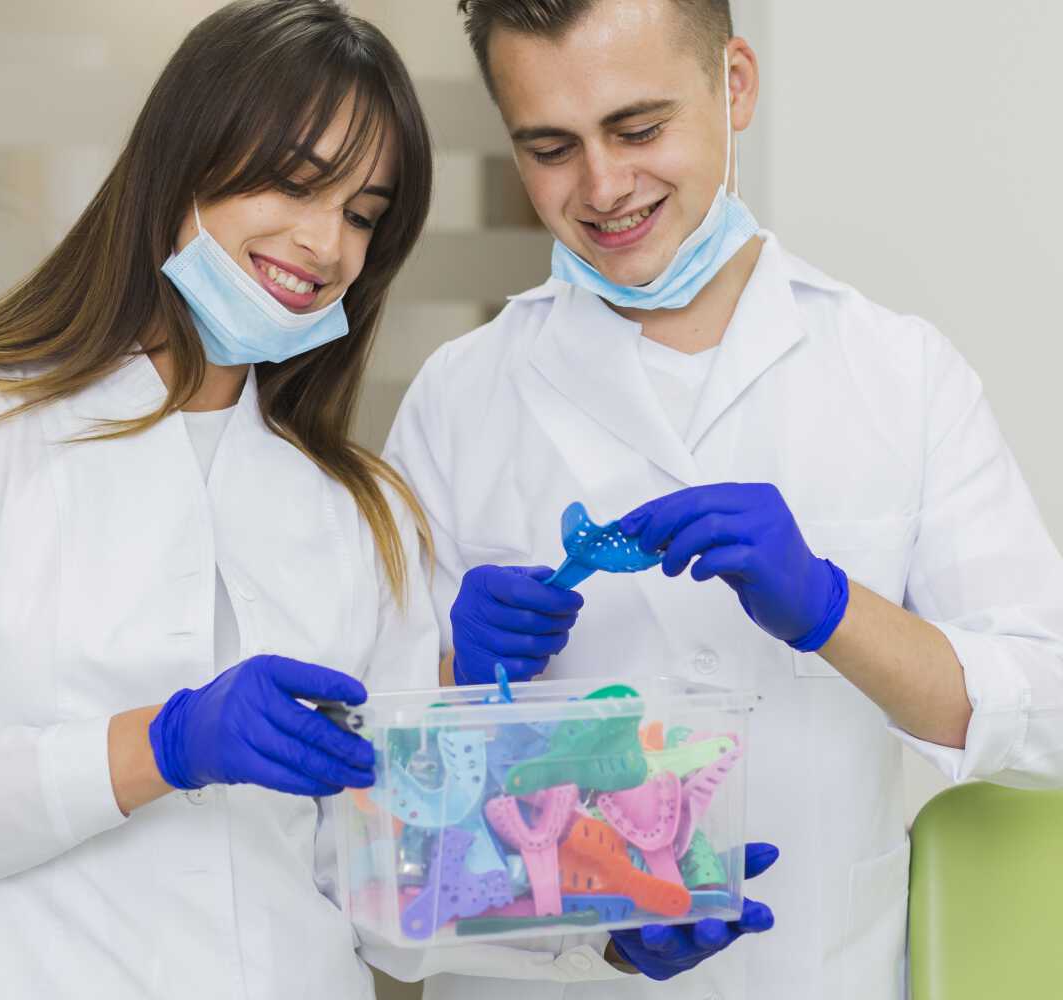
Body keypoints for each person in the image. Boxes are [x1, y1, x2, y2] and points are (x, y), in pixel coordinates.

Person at [384, 1, 1063, 998]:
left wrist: (836, 610)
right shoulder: (457, 395)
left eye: (639, 128)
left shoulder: (901, 375)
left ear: (735, 84)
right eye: (550, 147)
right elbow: (381, 817)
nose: (604, 186)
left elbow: (1048, 715)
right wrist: (457, 678)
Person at [0, 3, 443, 997]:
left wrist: (604, 909)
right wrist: (160, 745)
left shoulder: (365, 510)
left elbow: (394, 925)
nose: (325, 244)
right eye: (299, 183)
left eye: (362, 213)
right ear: (187, 158)